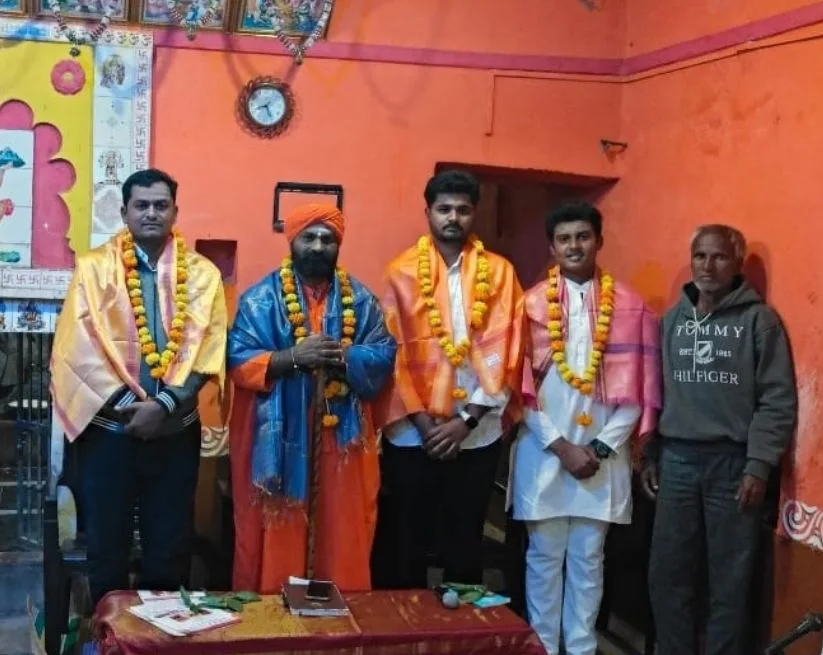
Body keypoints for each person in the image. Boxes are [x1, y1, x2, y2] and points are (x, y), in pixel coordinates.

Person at [50, 169, 227, 606]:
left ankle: (158, 638)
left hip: (175, 433)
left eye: (161, 205)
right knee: (106, 548)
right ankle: (111, 638)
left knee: (169, 549)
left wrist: (164, 405)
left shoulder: (202, 275)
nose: (151, 213)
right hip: (110, 434)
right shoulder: (94, 269)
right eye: (141, 205)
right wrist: (133, 407)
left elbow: (210, 349)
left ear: (175, 212)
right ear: (124, 212)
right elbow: (77, 347)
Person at [643, 223, 798, 655]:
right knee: (669, 573)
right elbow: (655, 392)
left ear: (737, 264)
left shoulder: (759, 323)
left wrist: (758, 465)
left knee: (730, 579)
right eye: (699, 256)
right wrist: (651, 452)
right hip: (677, 460)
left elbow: (777, 401)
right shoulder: (672, 321)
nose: (707, 266)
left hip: (733, 465)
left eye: (719, 257)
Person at [511, 201, 661, 655]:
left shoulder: (631, 308)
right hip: (544, 450)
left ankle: (581, 654)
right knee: (543, 556)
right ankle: (542, 651)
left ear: (599, 240)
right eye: (564, 239)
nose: (574, 246)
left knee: (589, 558)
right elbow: (517, 389)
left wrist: (597, 446)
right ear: (552, 247)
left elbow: (638, 392)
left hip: (602, 457)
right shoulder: (530, 306)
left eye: (583, 236)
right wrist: (560, 446)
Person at [228, 204, 396, 593]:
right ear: (293, 241)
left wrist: (347, 357)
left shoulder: (361, 301)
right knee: (278, 530)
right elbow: (237, 360)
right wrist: (292, 357)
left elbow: (385, 354)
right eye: (309, 237)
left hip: (341, 443)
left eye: (328, 239)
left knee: (342, 526)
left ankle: (341, 610)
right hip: (277, 441)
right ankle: (273, 606)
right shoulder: (260, 301)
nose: (318, 246)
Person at [372, 169, 526, 590]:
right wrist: (425, 424)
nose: (453, 217)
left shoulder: (500, 273)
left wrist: (467, 420)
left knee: (464, 540)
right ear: (428, 213)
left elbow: (509, 349)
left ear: (474, 213)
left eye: (462, 209)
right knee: (407, 541)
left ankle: (462, 629)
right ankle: (408, 625)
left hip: (477, 433)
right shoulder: (400, 273)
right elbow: (392, 353)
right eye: (444, 209)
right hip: (412, 433)